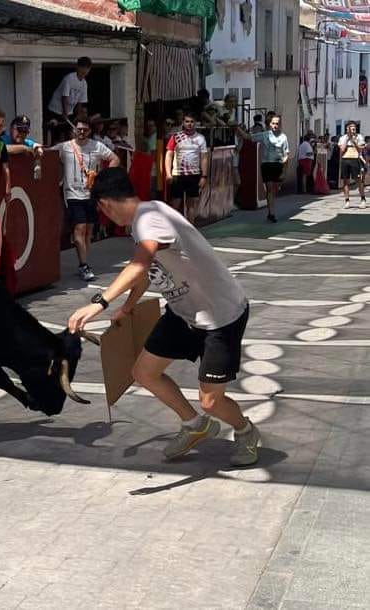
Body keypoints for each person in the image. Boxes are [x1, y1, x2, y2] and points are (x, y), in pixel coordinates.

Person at [67, 167, 259, 466]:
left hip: (221, 317)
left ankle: (246, 432)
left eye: (101, 210)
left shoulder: (149, 219)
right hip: (183, 313)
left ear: (104, 204)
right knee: (143, 372)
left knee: (211, 401)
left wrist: (99, 303)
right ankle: (195, 425)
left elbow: (140, 264)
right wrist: (128, 306)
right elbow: (148, 270)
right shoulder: (142, 221)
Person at [52, 117, 120, 281]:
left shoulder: (96, 146)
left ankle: (84, 261)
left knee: (88, 230)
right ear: (74, 129)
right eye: (79, 129)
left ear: (90, 131)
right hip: (72, 194)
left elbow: (115, 159)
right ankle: (83, 265)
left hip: (91, 193)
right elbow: (46, 154)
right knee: (79, 228)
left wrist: (103, 178)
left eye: (85, 130)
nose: (81, 132)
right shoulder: (65, 147)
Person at [237, 115, 289, 223]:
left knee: (274, 189)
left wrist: (284, 171)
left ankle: (271, 209)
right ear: (269, 125)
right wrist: (237, 128)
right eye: (273, 123)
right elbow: (248, 137)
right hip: (267, 164)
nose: (275, 126)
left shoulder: (283, 137)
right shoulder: (264, 135)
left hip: (278, 164)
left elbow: (286, 154)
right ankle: (271, 213)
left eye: (277, 124)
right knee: (270, 188)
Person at [164, 113, 208, 225]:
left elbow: (204, 158)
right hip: (178, 174)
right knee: (175, 204)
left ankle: (191, 230)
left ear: (196, 123)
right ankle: (173, 229)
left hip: (194, 175)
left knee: (192, 205)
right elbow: (168, 155)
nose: (189, 124)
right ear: (183, 123)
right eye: (187, 121)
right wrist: (168, 174)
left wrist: (204, 176)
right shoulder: (175, 137)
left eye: (192, 122)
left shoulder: (201, 138)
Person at [46, 56, 92, 144]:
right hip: (55, 110)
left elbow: (80, 102)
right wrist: (65, 113)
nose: (84, 70)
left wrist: (78, 116)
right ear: (77, 67)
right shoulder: (69, 78)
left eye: (87, 68)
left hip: (68, 112)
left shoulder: (84, 84)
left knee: (66, 134)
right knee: (53, 132)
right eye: (82, 67)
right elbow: (64, 97)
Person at [2, 115, 45, 179]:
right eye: (19, 129)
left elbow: (35, 145)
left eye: (25, 131)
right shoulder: (3, 139)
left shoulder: (26, 142)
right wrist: (24, 148)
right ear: (11, 129)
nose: (21, 133)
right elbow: (1, 148)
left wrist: (38, 149)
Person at [338, 121, 367, 209]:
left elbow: (360, 150)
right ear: (347, 128)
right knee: (345, 181)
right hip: (345, 159)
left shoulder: (359, 137)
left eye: (354, 127)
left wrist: (354, 142)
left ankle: (363, 199)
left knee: (358, 180)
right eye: (351, 127)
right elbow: (342, 150)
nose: (353, 129)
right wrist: (348, 139)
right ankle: (347, 200)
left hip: (355, 159)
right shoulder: (343, 138)